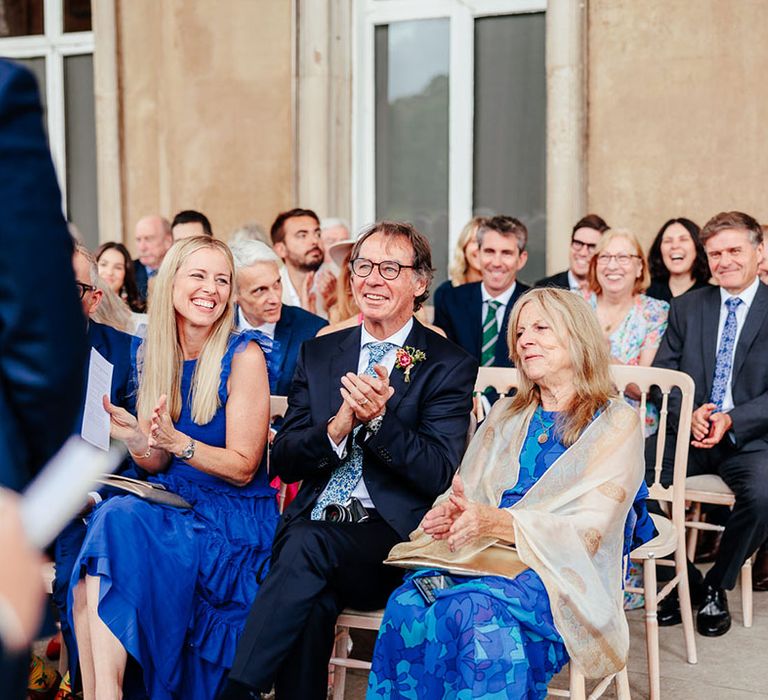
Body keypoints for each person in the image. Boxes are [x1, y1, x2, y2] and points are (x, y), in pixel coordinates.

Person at [223, 221, 477, 700]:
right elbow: (285, 461)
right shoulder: (319, 354)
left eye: (390, 268)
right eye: (363, 266)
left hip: (391, 541)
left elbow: (436, 471)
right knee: (310, 594)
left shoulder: (446, 363)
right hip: (314, 534)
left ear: (420, 283)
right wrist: (338, 428)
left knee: (305, 545)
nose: (372, 279)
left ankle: (236, 692)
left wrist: (379, 421)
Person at [368, 288, 647, 699]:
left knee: (473, 613)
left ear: (578, 336)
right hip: (482, 556)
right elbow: (468, 491)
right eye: (519, 332)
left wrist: (494, 521)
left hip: (558, 573)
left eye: (540, 328)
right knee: (408, 603)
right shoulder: (508, 413)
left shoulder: (615, 421)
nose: (525, 340)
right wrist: (449, 515)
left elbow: (590, 529)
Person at [69, 236, 280, 699]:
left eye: (222, 279)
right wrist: (135, 438)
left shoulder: (243, 354)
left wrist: (176, 442)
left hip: (230, 517)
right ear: (171, 285)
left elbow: (244, 467)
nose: (212, 289)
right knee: (102, 552)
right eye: (199, 276)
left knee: (113, 526)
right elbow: (156, 459)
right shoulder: (154, 353)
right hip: (170, 504)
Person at [652, 211, 768, 637]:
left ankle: (717, 585)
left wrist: (732, 418)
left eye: (735, 250)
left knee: (765, 494)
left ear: (759, 251)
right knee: (620, 470)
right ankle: (685, 581)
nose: (724, 261)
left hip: (751, 440)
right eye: (715, 253)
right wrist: (695, 410)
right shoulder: (687, 307)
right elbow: (665, 374)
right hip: (691, 434)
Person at [587, 229, 668, 435]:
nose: (612, 265)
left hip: (632, 430)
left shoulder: (655, 312)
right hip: (575, 423)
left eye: (623, 257)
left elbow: (644, 389)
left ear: (639, 266)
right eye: (605, 257)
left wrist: (603, 355)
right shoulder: (575, 305)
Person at [230, 239, 327, 395]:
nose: (275, 299)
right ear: (234, 294)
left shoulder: (312, 330)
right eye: (260, 290)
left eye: (277, 284)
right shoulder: (216, 328)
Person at [434, 215, 530, 367]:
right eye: (489, 252)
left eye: (506, 253)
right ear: (477, 255)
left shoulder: (534, 305)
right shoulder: (451, 299)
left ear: (521, 259)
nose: (496, 263)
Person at [270, 207, 335, 317]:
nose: (315, 241)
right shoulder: (270, 291)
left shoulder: (339, 282)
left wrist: (335, 304)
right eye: (302, 236)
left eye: (317, 234)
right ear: (281, 249)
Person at [535, 213, 609, 295]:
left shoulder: (609, 289)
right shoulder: (544, 289)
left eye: (592, 247)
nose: (583, 253)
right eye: (578, 243)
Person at [646, 218, 711, 302]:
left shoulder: (713, 297)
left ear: (697, 247)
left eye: (683, 239)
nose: (675, 246)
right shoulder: (645, 292)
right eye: (668, 241)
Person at [96, 241, 146, 313]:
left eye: (118, 267)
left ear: (126, 273)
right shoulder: (81, 307)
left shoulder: (137, 313)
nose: (110, 272)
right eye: (103, 264)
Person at [133, 215, 173, 300]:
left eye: (148, 239)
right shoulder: (128, 271)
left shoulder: (181, 270)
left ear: (168, 241)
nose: (142, 248)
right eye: (138, 239)